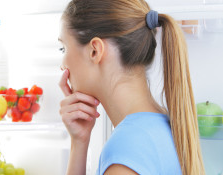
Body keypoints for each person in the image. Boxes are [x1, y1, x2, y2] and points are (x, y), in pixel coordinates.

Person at [58, 0, 205, 175]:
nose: (62, 65)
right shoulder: (163, 126)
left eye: (63, 48)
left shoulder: (126, 148)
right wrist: (79, 143)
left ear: (95, 51)